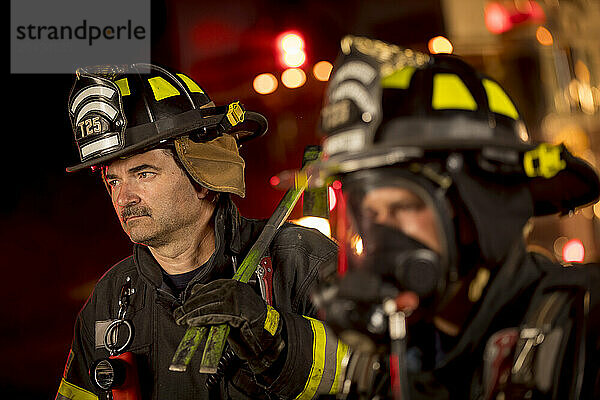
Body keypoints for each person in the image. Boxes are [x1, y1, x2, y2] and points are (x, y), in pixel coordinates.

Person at [312, 36, 600, 399]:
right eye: (368, 214)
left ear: (481, 208)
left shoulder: (586, 329)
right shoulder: (375, 369)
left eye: (402, 207)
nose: (379, 237)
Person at [56, 63, 345, 400]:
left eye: (144, 173)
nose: (124, 197)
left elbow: (374, 373)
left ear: (203, 178)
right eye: (113, 180)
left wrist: (274, 337)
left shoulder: (302, 262)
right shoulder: (111, 297)